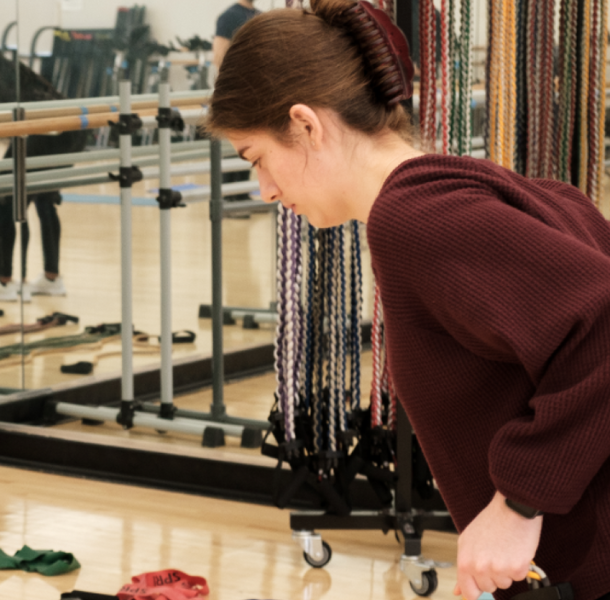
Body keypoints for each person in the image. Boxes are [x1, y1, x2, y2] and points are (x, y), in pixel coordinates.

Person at [206, 2, 610, 599]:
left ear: (306, 124)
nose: (265, 189)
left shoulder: (415, 219)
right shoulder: (472, 188)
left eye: (258, 159)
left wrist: (519, 502)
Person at [0, 16, 85, 301]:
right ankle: (52, 278)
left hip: (43, 134)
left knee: (2, 202)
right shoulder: (6, 66)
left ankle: (4, 282)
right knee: (45, 199)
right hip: (69, 132)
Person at [211, 0, 258, 201]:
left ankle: (242, 193)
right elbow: (219, 55)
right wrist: (232, 85)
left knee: (251, 142)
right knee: (234, 142)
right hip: (236, 89)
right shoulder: (228, 16)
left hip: (255, 89)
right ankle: (230, 197)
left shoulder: (258, 15)